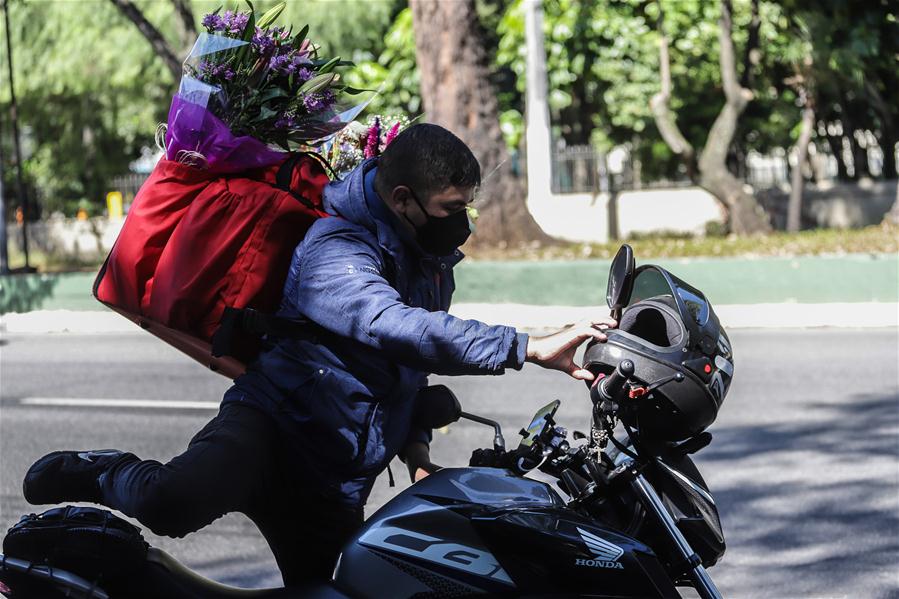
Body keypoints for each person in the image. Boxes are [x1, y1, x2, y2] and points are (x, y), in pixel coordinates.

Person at [23, 124, 616, 586]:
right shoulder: (335, 246)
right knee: (171, 503)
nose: (459, 222)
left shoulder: (428, 262)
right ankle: (104, 469)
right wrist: (527, 346)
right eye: (448, 209)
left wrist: (416, 451)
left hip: (334, 477)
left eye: (465, 206)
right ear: (403, 199)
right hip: (271, 431)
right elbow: (389, 326)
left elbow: (409, 366)